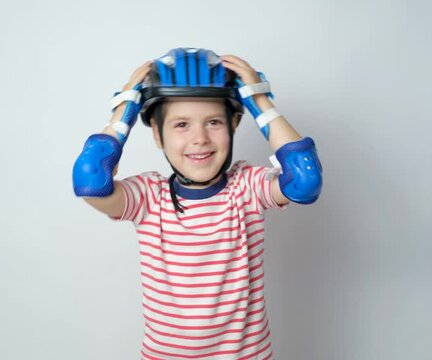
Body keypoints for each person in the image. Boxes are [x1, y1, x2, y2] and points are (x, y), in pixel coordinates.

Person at [72, 48, 322, 359]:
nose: (200, 137)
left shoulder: (247, 187)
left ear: (233, 126)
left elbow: (305, 179)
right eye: (181, 125)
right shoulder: (149, 197)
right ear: (158, 137)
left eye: (214, 122)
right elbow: (90, 180)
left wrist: (259, 102)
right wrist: (123, 115)